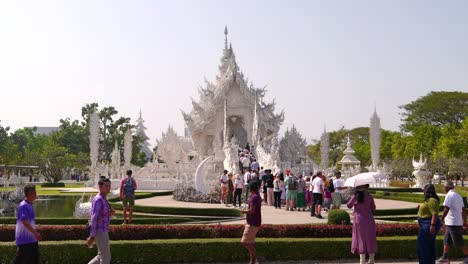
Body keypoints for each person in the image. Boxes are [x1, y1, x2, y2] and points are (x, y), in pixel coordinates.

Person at [437, 180, 468, 264]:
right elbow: (463, 210)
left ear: (447, 187)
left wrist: (441, 219)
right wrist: (464, 221)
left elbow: (446, 208)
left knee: (458, 242)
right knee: (446, 240)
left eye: (444, 187)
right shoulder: (458, 195)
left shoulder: (449, 195)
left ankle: (467, 257)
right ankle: (445, 257)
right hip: (452, 222)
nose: (444, 188)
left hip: (453, 222)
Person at [347, 184, 377, 264]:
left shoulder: (355, 196)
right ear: (365, 187)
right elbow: (373, 207)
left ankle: (362, 260)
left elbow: (349, 205)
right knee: (371, 238)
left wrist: (352, 198)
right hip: (369, 219)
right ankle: (371, 259)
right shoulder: (369, 195)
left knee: (360, 239)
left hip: (359, 220)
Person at [11, 184, 41, 264]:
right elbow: (24, 221)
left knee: (34, 260)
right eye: (35, 192)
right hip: (25, 241)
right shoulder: (24, 205)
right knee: (21, 261)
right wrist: (35, 233)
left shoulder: (29, 204)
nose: (36, 194)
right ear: (31, 193)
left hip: (31, 240)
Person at [87, 177, 115, 264]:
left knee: (101, 255)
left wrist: (110, 213)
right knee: (106, 257)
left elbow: (101, 216)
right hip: (100, 231)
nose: (108, 188)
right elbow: (94, 218)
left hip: (103, 229)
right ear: (100, 186)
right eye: (106, 186)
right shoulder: (98, 199)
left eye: (109, 186)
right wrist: (92, 236)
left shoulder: (103, 199)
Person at [417, 183, 441, 264]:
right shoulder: (431, 200)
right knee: (428, 246)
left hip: (427, 224)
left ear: (427, 191)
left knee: (424, 247)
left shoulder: (431, 200)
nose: (423, 192)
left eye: (424, 190)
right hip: (426, 224)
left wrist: (432, 226)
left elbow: (434, 214)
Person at [241, 182, 264, 264]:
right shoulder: (256, 196)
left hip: (252, 222)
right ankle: (252, 262)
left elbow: (252, 211)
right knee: (250, 243)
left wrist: (243, 211)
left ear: (250, 188)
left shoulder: (254, 197)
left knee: (244, 242)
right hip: (255, 221)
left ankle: (258, 257)